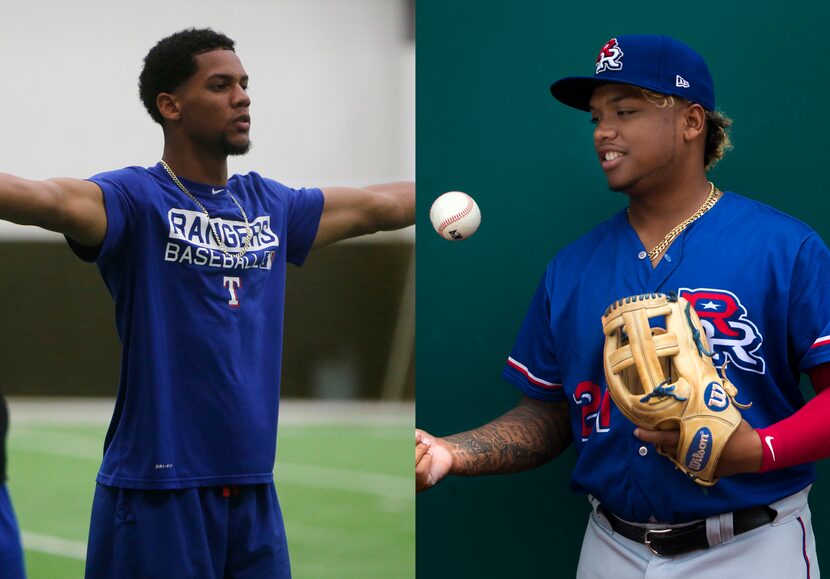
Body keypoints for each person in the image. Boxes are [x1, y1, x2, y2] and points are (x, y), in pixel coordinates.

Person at [0, 28, 413, 578]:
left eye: (244, 85)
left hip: (251, 489)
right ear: (170, 106)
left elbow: (374, 207)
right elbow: (44, 198)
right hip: (156, 489)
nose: (241, 97)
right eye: (220, 86)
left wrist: (450, 186)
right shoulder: (135, 199)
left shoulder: (269, 204)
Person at [416, 34, 830, 577]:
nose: (603, 131)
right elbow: (548, 414)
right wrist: (453, 452)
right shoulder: (571, 268)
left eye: (626, 110)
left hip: (750, 546)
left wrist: (757, 450)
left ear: (691, 121)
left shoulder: (785, 249)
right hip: (611, 547)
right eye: (595, 118)